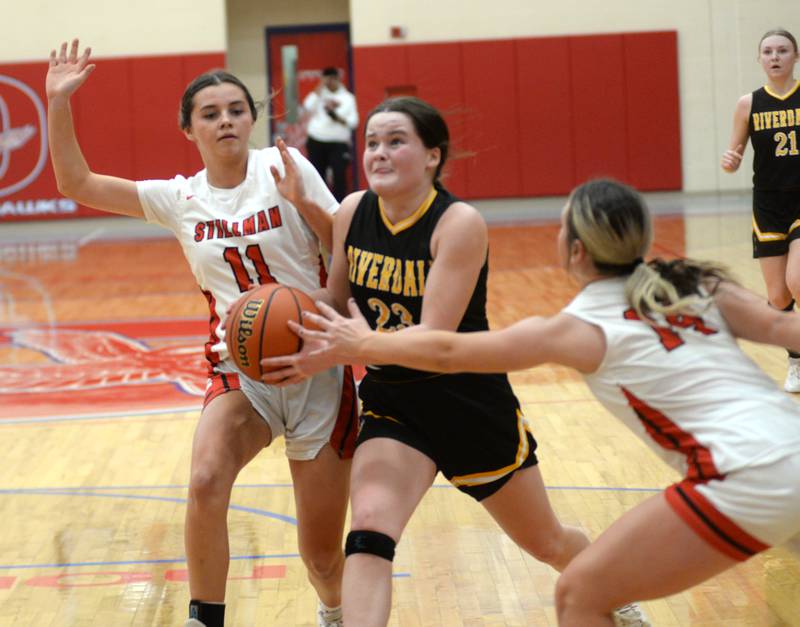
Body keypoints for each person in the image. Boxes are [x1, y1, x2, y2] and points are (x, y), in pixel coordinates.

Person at [295, 178, 800, 626]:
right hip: (791, 445)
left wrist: (362, 346)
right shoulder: (697, 281)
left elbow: (448, 350)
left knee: (577, 591)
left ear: (575, 252)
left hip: (738, 473)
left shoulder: (578, 329)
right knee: (376, 531)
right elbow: (784, 326)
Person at [262, 98, 649, 626]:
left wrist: (354, 347)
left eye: (395, 141)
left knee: (547, 542)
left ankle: (609, 588)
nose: (378, 151)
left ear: (431, 156)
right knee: (369, 532)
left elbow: (436, 338)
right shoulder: (352, 211)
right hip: (395, 403)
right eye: (372, 141)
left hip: (467, 400)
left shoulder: (458, 223)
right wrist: (286, 324)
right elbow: (335, 300)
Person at [45, 39, 358, 627]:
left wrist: (307, 207)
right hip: (241, 370)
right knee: (206, 479)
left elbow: (346, 243)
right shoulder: (180, 197)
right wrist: (58, 103)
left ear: (252, 119)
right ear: (188, 129)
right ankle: (203, 618)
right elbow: (78, 183)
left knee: (320, 554)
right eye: (210, 114)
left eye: (236, 110)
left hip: (319, 365)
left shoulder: (285, 168)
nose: (226, 121)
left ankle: (337, 613)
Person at [721, 28, 800, 392]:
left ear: (795, 56)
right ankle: (796, 361)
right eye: (768, 51)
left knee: (796, 281)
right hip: (768, 204)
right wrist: (730, 159)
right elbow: (733, 156)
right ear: (759, 59)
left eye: (783, 50)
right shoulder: (748, 104)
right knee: (778, 297)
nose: (775, 57)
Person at [302, 67, 359, 201]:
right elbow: (307, 106)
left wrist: (337, 118)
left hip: (338, 143)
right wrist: (320, 87)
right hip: (316, 140)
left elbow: (354, 122)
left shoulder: (348, 98)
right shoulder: (318, 95)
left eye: (333, 78)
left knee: (339, 176)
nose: (330, 82)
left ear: (338, 79)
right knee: (317, 175)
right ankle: (318, 205)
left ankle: (341, 206)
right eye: (327, 79)